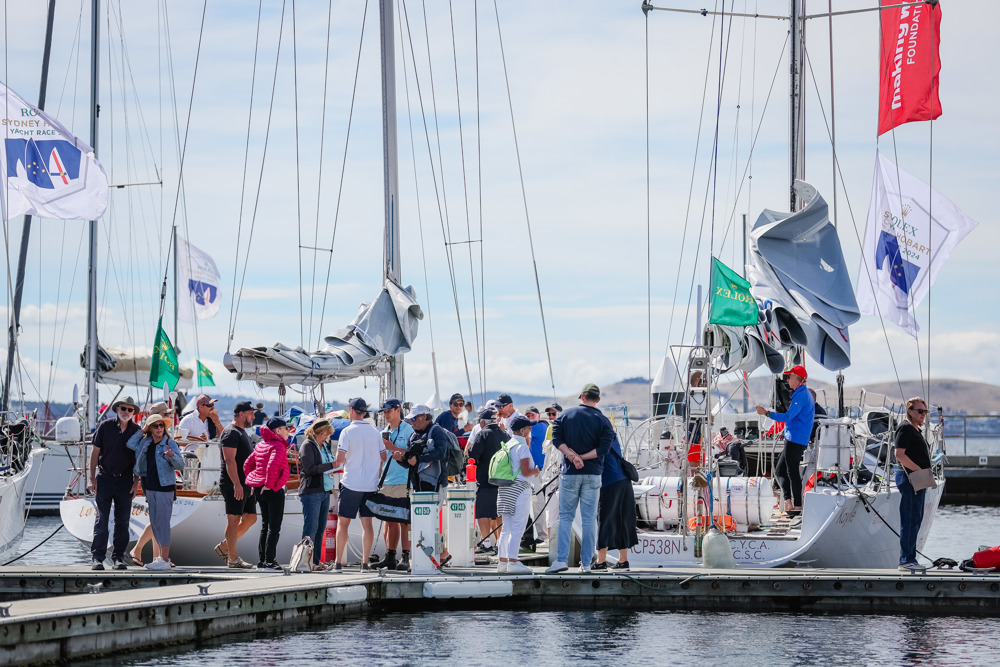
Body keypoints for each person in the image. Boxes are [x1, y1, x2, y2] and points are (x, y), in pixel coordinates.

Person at [545, 383, 615, 574]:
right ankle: (586, 564)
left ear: (582, 397)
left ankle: (561, 561)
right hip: (593, 474)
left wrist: (573, 457)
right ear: (597, 400)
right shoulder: (603, 420)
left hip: (570, 474)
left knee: (565, 518)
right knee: (589, 520)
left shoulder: (565, 415)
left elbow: (557, 439)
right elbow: (604, 448)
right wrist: (582, 458)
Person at [332, 398, 387, 573]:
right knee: (367, 524)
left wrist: (341, 459)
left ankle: (338, 563)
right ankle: (364, 563)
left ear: (351, 410)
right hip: (370, 485)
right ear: (364, 412)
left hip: (351, 483)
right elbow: (384, 457)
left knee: (343, 524)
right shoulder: (375, 432)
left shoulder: (347, 432)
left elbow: (340, 459)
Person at [88, 395, 141, 570]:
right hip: (105, 478)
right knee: (101, 519)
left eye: (130, 409)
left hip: (125, 481)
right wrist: (91, 478)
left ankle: (118, 558)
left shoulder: (137, 431)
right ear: (117, 409)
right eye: (123, 408)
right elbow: (95, 453)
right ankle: (97, 558)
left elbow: (138, 460)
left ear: (133, 412)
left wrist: (136, 483)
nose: (126, 412)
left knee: (123, 522)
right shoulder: (105, 427)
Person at [755, 365, 815, 517]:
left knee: (791, 471)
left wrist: (766, 413)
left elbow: (788, 417)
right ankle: (789, 503)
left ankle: (797, 506)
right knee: (781, 470)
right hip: (794, 437)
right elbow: (795, 419)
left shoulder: (801, 395)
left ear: (797, 378)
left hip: (795, 439)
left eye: (790, 377)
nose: (787, 379)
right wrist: (784, 431)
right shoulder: (802, 394)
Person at [127, 415, 183, 570]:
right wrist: (143, 429)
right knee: (156, 523)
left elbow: (180, 464)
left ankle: (164, 559)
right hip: (149, 487)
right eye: (155, 426)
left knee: (163, 523)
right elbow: (130, 444)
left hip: (165, 487)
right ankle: (161, 558)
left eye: (161, 425)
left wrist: (172, 456)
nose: (159, 428)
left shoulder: (169, 443)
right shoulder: (145, 442)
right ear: (151, 428)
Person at [244, 416, 292, 570]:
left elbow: (247, 465)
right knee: (274, 527)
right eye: (286, 428)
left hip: (260, 489)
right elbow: (272, 466)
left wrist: (254, 481)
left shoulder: (260, 445)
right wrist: (270, 485)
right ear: (277, 431)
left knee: (265, 525)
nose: (288, 431)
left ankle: (263, 560)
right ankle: (270, 561)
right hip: (272, 489)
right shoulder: (278, 446)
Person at [215, 401, 259, 568]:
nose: (253, 416)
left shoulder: (242, 432)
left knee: (251, 518)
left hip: (246, 483)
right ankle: (233, 559)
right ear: (241, 414)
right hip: (234, 483)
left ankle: (225, 546)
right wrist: (237, 484)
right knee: (233, 519)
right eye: (251, 413)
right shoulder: (230, 433)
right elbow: (229, 460)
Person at [894, 397, 934, 571]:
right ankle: (905, 560)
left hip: (916, 478)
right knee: (909, 519)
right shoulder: (905, 428)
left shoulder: (914, 429)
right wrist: (918, 470)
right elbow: (899, 454)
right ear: (910, 411)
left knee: (916, 519)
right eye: (920, 411)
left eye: (925, 411)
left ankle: (911, 558)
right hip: (909, 478)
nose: (923, 415)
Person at [496, 416, 539, 574]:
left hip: (505, 489)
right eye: (529, 427)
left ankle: (502, 562)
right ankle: (513, 562)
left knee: (506, 528)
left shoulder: (507, 445)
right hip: (520, 489)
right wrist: (536, 471)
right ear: (522, 430)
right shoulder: (522, 446)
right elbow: (526, 472)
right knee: (518, 527)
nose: (530, 430)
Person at [375, 398, 414, 571]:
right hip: (387, 480)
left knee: (404, 521)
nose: (386, 414)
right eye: (384, 411)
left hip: (403, 481)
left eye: (388, 411)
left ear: (398, 410)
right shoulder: (384, 431)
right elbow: (383, 459)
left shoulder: (408, 430)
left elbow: (412, 455)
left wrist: (391, 447)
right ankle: (390, 557)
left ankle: (405, 556)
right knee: (389, 521)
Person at [593, 436, 637, 572]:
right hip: (625, 480)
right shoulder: (612, 435)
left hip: (609, 481)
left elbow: (596, 457)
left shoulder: (597, 437)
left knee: (605, 520)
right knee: (623, 520)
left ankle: (600, 562)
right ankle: (623, 561)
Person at [299, 419, 337, 571]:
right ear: (315, 433)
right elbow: (309, 469)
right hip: (311, 491)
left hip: (324, 491)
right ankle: (305, 562)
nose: (325, 437)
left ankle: (314, 562)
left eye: (327, 435)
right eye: (323, 434)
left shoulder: (324, 446)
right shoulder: (307, 445)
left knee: (320, 528)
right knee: (311, 529)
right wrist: (331, 466)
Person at [467, 407, 505, 555]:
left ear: (483, 422)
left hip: (485, 480)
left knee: (482, 512)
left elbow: (473, 454)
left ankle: (486, 543)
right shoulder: (504, 434)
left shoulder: (482, 434)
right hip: (503, 481)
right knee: (499, 513)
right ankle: (501, 543)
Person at [522, 406, 550, 551]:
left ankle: (542, 536)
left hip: (539, 472)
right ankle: (542, 535)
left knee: (539, 504)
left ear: (538, 416)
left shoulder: (538, 427)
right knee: (539, 504)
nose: (529, 418)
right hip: (539, 471)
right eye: (527, 415)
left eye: (532, 415)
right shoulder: (541, 426)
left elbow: (525, 436)